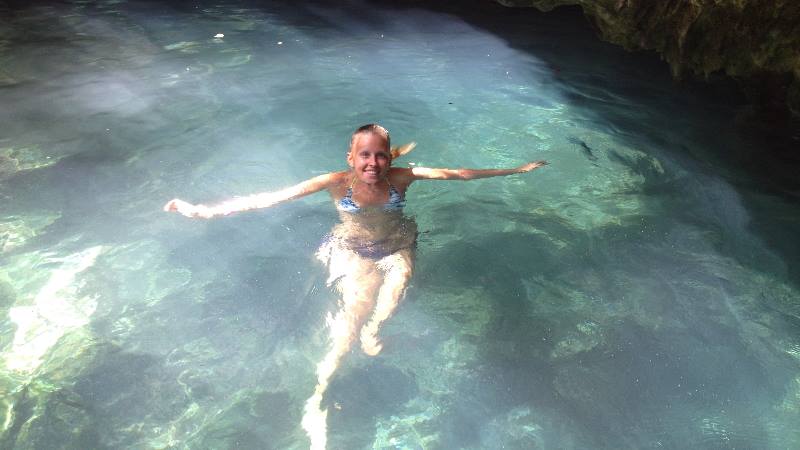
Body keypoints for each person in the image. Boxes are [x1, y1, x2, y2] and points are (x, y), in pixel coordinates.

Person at [163, 124, 547, 450]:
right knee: (347, 328)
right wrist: (204, 211)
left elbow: (459, 174)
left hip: (397, 247)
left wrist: (516, 170)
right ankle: (318, 395)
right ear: (351, 158)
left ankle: (375, 329)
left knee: (395, 291)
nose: (373, 163)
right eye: (364, 155)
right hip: (356, 253)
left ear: (390, 159)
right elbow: (272, 198)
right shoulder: (334, 183)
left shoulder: (402, 176)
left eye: (381, 156)